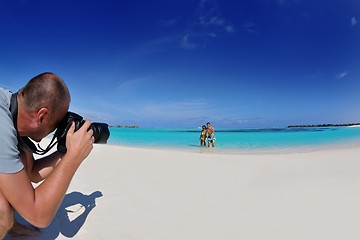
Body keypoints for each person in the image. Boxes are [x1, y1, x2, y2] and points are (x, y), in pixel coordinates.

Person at [0, 72, 94, 238]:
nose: (58, 129)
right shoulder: (3, 126)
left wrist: (68, 150)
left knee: (15, 179)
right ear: (42, 115)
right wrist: (73, 159)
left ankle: (12, 226)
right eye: (58, 123)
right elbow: (39, 215)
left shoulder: (12, 108)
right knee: (2, 212)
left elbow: (32, 173)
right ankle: (7, 224)